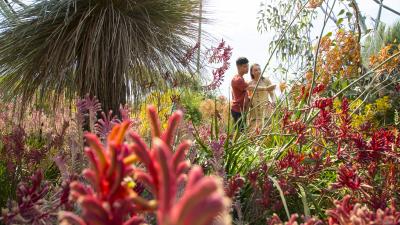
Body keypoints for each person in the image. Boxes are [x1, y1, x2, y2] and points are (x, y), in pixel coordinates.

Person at [247, 63, 276, 133]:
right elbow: (249, 96)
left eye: (259, 69)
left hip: (265, 109)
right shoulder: (249, 83)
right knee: (254, 132)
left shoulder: (266, 80)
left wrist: (274, 101)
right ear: (252, 72)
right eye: (256, 70)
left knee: (265, 129)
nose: (258, 71)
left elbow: (272, 93)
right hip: (254, 112)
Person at [231, 57, 250, 131]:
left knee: (241, 131)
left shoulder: (241, 78)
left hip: (240, 110)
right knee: (239, 132)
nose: (247, 68)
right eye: (245, 66)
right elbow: (250, 88)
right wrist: (265, 88)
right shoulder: (237, 79)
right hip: (237, 110)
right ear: (238, 67)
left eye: (247, 66)